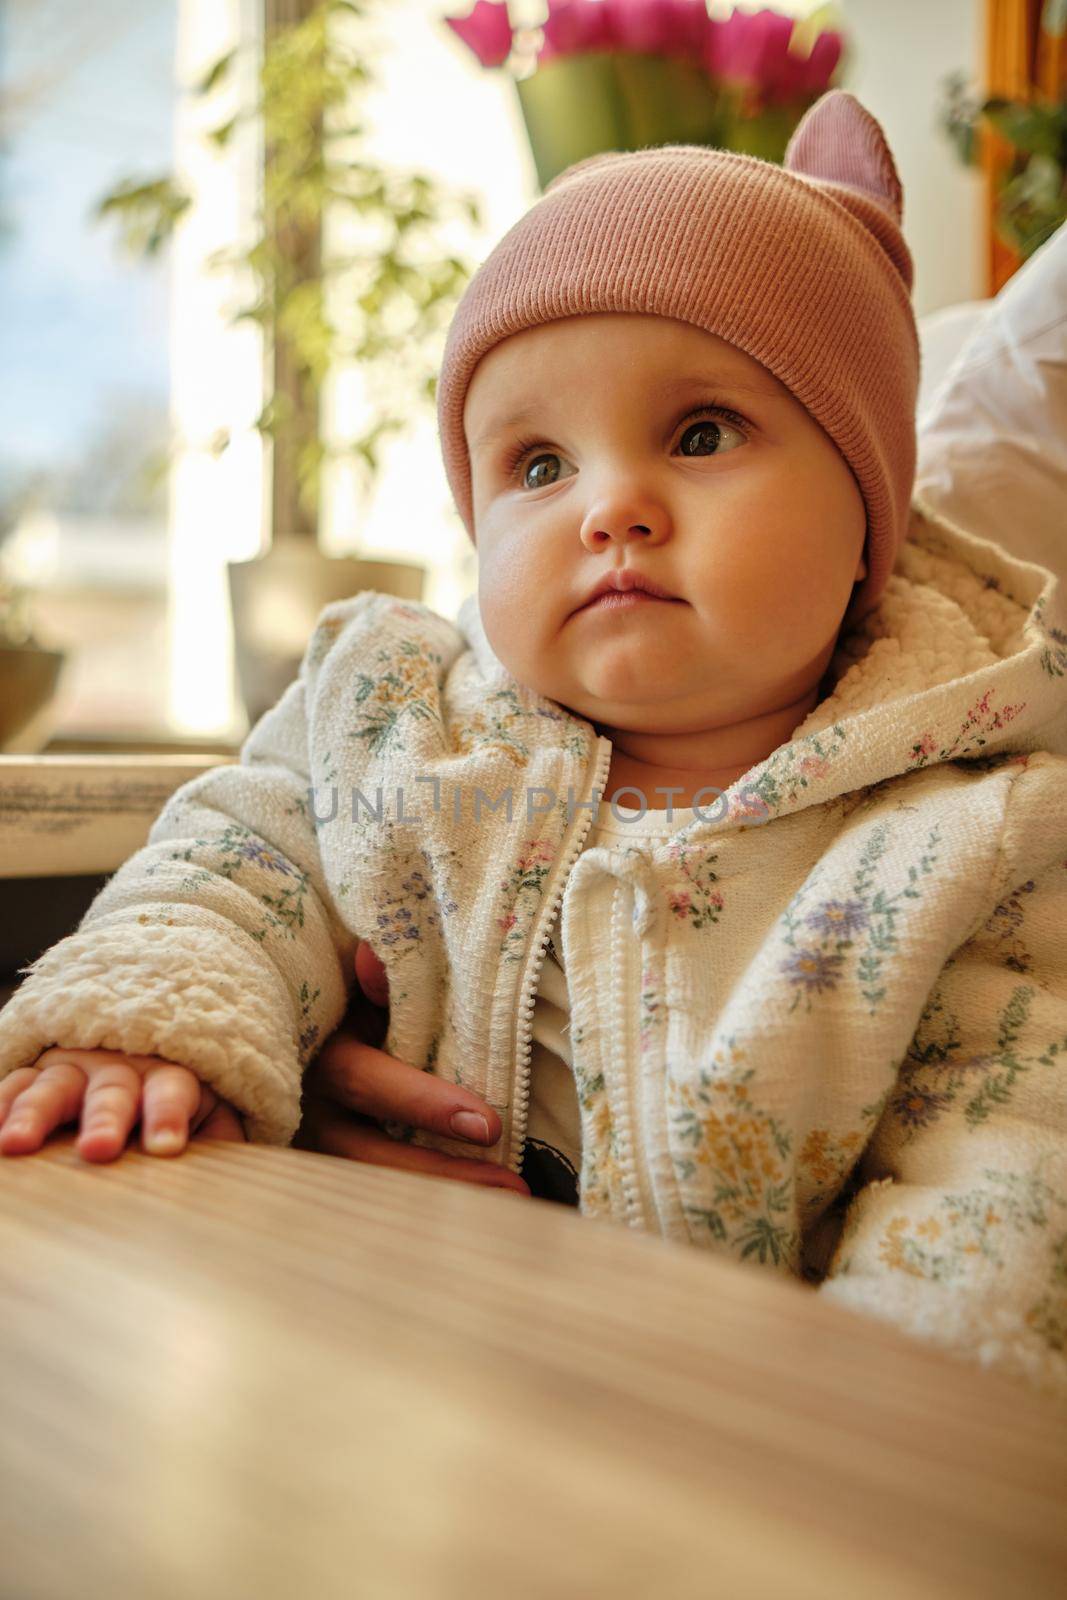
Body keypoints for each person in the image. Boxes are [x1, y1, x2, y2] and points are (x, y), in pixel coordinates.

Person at [2, 90, 1067, 1398]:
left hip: (733, 1428)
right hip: (377, 1367)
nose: (612, 506)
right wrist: (145, 1031)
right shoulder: (395, 718)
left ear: (867, 526)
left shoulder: (977, 827)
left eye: (700, 434)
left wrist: (880, 1412)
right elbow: (234, 868)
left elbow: (1007, 1153)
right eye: (539, 465)